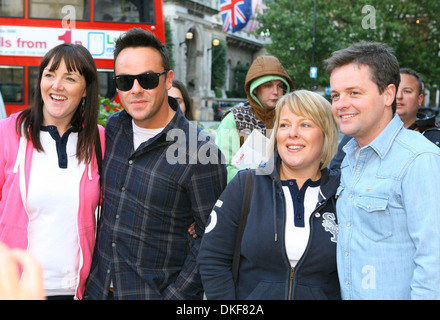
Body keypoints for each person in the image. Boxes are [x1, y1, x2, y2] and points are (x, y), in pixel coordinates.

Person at [85, 28, 227, 300]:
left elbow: (212, 240)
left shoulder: (199, 151)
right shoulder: (114, 129)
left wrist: (174, 297)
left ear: (167, 80)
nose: (136, 89)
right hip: (98, 291)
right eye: (125, 81)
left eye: (147, 79)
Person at [198, 90, 341, 300]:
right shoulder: (245, 185)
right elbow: (212, 258)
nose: (292, 133)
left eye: (305, 124)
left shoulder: (341, 193)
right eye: (284, 125)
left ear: (326, 133)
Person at [326, 42, 440, 299]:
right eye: (335, 95)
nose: (341, 104)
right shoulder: (348, 156)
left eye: (354, 93)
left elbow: (434, 264)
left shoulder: (419, 159)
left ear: (388, 95)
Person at [0, 43, 104, 300]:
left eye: (70, 78)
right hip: (17, 289)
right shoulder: (8, 133)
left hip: (77, 291)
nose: (57, 85)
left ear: (85, 91)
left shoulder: (99, 140)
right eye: (50, 74)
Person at [329, 67, 440, 170]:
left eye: (407, 91)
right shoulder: (358, 133)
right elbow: (336, 173)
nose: (399, 96)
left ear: (420, 99)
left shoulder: (434, 139)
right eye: (396, 90)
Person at [215, 55, 294, 182]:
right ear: (255, 89)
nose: (276, 91)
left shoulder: (290, 118)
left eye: (280, 86)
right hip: (244, 196)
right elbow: (222, 168)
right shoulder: (234, 119)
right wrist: (258, 181)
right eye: (268, 85)